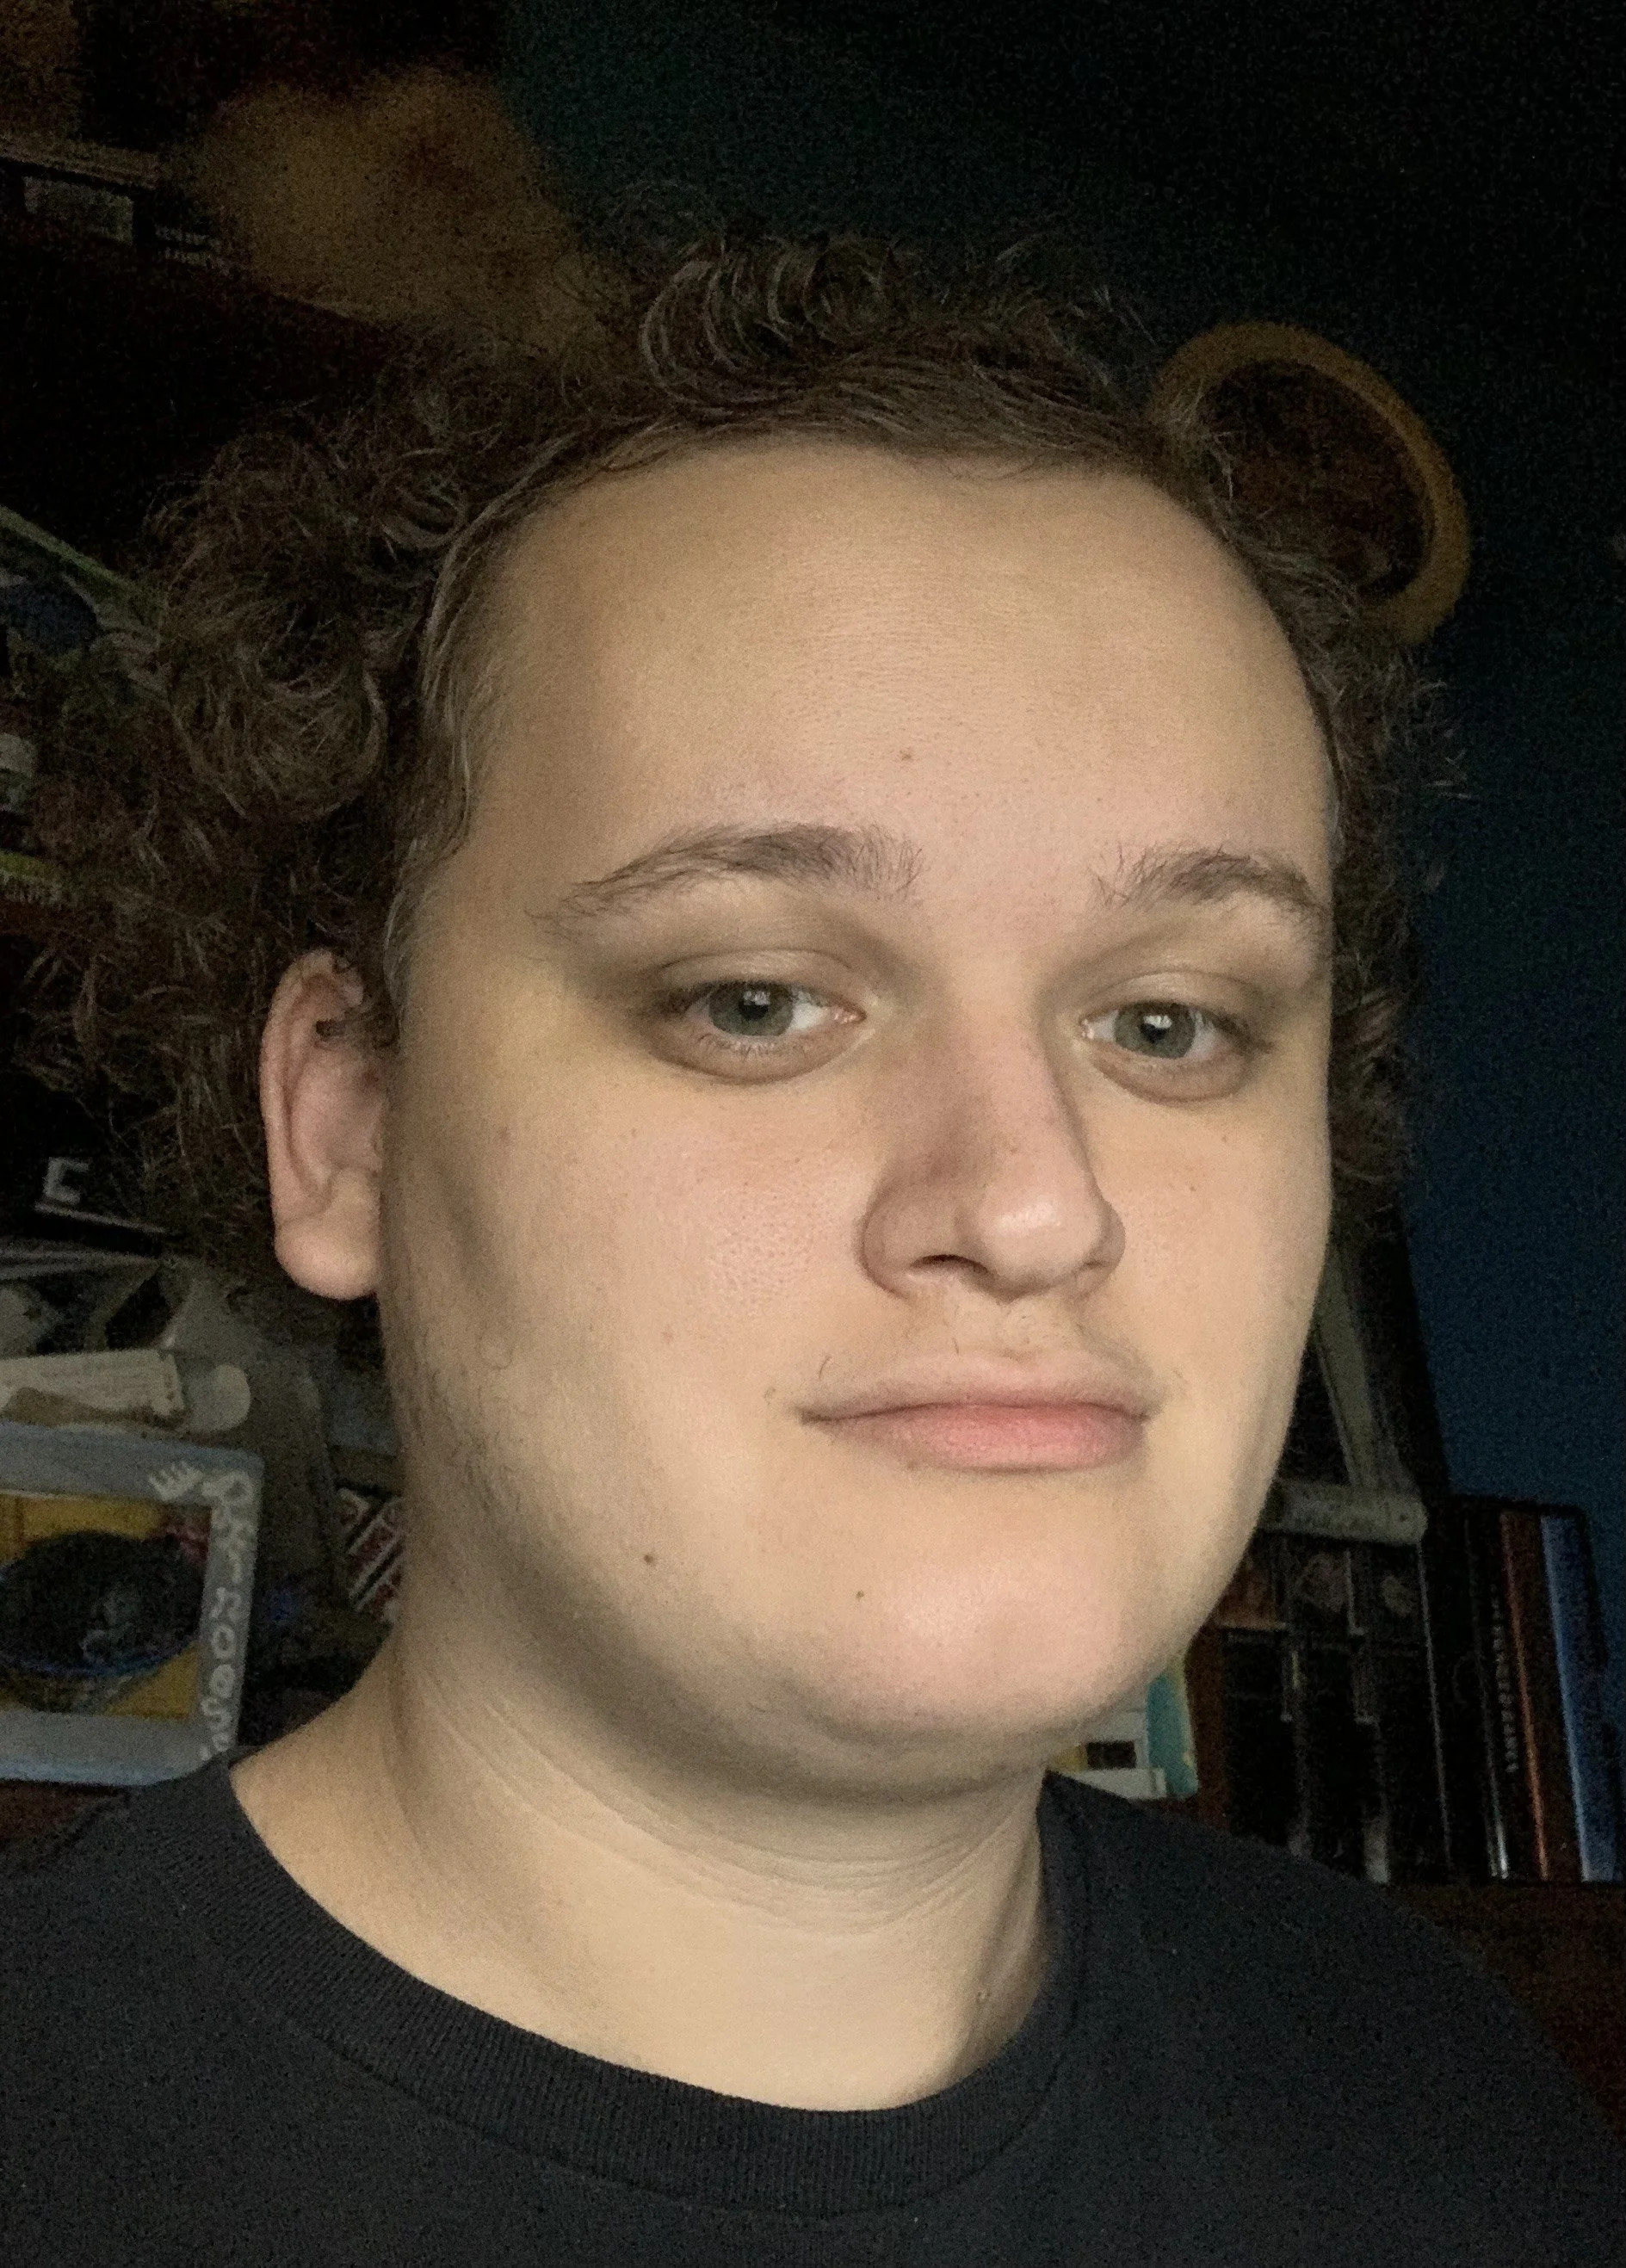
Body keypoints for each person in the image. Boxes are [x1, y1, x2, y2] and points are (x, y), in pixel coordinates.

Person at [3, 233, 1621, 2265]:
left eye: (1166, 1023)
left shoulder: (1438, 2102)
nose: (1033, 1205)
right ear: (345, 1122)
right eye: (753, 1000)